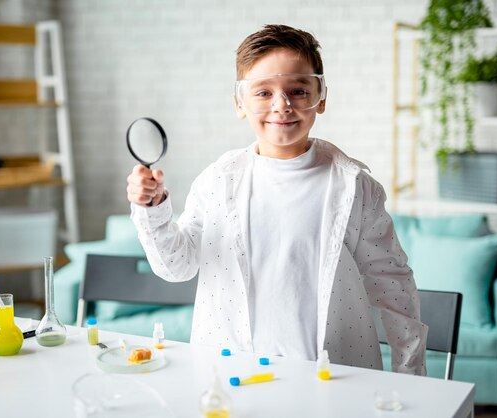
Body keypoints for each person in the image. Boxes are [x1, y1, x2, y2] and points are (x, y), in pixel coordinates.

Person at [126, 24, 427, 375]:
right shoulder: (217, 181)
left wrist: (411, 374)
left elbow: (393, 286)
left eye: (298, 90)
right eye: (263, 93)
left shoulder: (355, 186)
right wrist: (153, 209)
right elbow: (176, 267)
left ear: (322, 97)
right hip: (232, 374)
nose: (281, 105)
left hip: (334, 375)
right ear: (239, 103)